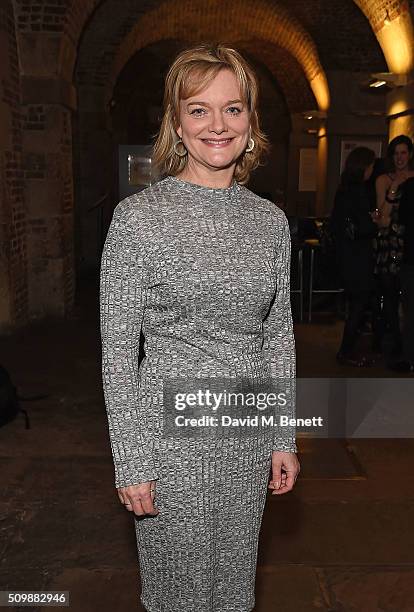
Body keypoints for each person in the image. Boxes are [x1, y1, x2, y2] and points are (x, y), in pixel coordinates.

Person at [100, 44, 300, 612]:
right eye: (199, 109)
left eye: (233, 109)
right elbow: (118, 349)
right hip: (169, 441)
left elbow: (277, 337)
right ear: (177, 123)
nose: (218, 124)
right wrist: (132, 459)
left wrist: (282, 437)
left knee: (234, 590)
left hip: (244, 433)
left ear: (250, 122)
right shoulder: (138, 219)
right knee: (177, 592)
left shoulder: (269, 222)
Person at [331, 146, 380, 367]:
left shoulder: (343, 190)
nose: (372, 170)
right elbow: (363, 228)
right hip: (358, 259)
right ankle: (346, 350)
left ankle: (347, 349)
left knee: (356, 306)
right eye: (371, 166)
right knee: (359, 307)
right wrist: (374, 221)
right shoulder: (358, 191)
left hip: (346, 258)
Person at [375, 135, 414, 361]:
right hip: (390, 245)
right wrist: (395, 187)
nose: (400, 158)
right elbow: (382, 219)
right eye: (396, 153)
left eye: (404, 153)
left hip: (408, 244)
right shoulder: (384, 179)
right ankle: (395, 344)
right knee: (390, 297)